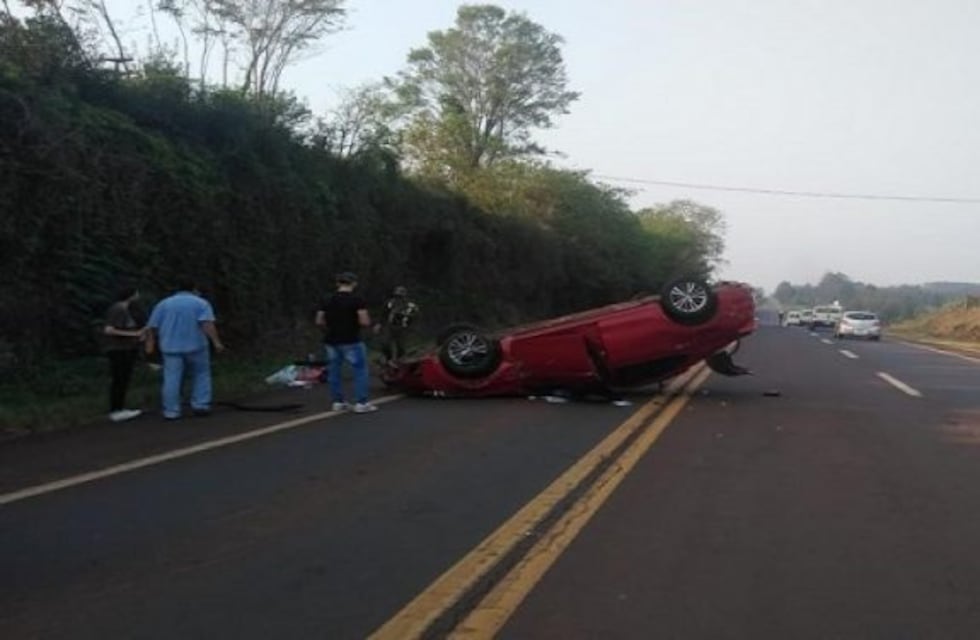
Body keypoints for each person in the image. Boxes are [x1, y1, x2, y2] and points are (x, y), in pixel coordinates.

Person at [144, 279, 225, 420]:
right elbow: (207, 324)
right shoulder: (201, 303)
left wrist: (151, 344)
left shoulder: (164, 304)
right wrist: (216, 342)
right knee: (201, 374)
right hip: (196, 345)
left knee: (171, 378)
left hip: (170, 346)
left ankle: (171, 411)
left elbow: (152, 326)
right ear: (194, 289)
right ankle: (201, 404)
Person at [315, 272, 378, 413]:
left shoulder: (327, 299)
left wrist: (330, 327)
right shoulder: (357, 300)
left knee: (334, 371)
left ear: (337, 283)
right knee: (360, 370)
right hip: (351, 340)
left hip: (331, 340)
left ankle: (338, 402)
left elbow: (319, 320)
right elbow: (364, 321)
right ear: (354, 283)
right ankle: (361, 403)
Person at [102, 286, 145, 422]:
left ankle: (120, 407)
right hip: (119, 349)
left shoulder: (125, 310)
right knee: (119, 378)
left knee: (124, 379)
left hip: (126, 348)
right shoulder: (118, 309)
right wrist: (134, 334)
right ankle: (116, 409)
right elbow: (109, 330)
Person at [374, 285, 420, 365]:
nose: (398, 298)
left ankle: (399, 361)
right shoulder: (390, 303)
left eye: (400, 296)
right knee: (385, 343)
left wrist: (411, 324)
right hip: (390, 326)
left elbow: (416, 315)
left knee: (401, 346)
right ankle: (389, 359)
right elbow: (383, 314)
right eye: (397, 295)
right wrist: (379, 324)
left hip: (402, 327)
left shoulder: (410, 305)